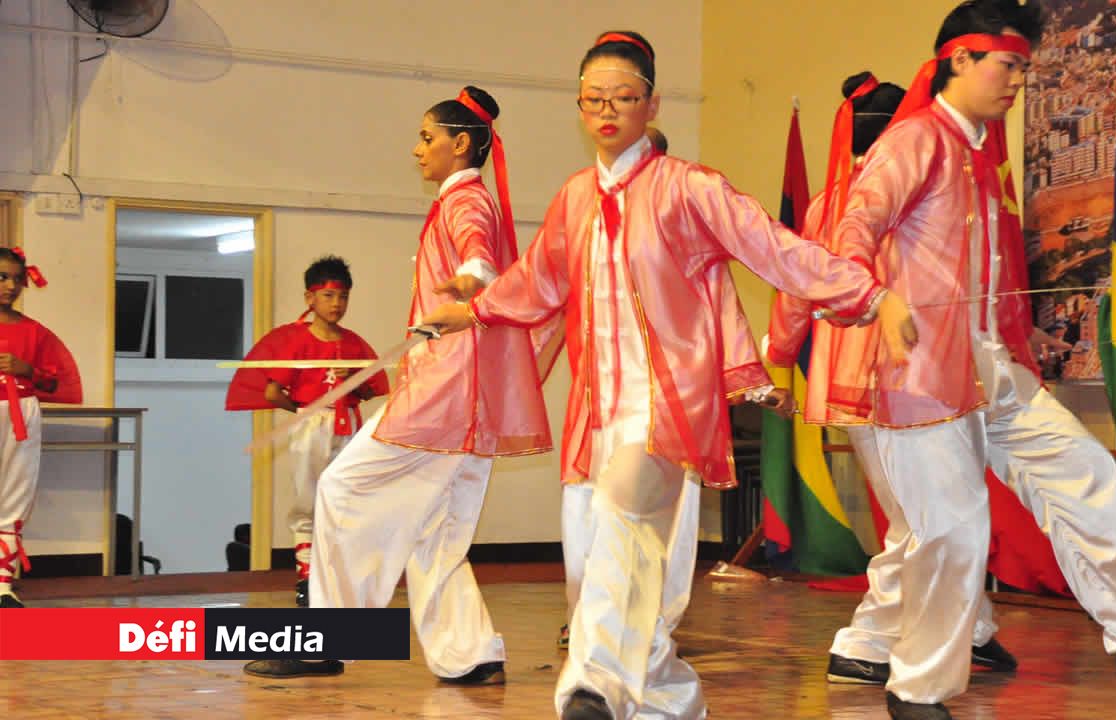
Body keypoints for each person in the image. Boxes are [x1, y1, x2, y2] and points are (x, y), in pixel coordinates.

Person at [423, 30, 883, 720]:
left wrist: (868, 294)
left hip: (668, 405)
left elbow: (778, 250)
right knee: (596, 562)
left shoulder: (690, 188)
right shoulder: (576, 197)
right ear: (580, 107)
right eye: (594, 99)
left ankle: (592, 689)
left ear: (652, 103)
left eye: (623, 97)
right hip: (596, 412)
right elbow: (538, 281)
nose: (607, 111)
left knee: (622, 522)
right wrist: (472, 311)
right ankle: (669, 697)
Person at [819, 2, 1116, 717]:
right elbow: (853, 228)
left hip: (985, 363)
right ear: (960, 59)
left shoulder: (978, 153)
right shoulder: (914, 140)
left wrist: (1019, 336)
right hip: (919, 370)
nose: (1019, 79)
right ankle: (918, 690)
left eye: (1023, 66)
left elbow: (979, 268)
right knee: (951, 531)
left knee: (1084, 470)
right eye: (1008, 64)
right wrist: (874, 298)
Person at [243, 86, 554, 685]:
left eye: (427, 137)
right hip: (467, 399)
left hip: (443, 395)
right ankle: (471, 654)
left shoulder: (466, 201)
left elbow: (479, 256)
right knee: (437, 531)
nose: (417, 149)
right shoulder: (470, 199)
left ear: (459, 144)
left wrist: (472, 282)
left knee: (340, 487)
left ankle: (326, 641)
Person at [765, 70, 1022, 688]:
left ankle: (970, 626)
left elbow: (795, 291)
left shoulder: (830, 202)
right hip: (896, 378)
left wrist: (778, 352)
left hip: (879, 379)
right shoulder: (899, 193)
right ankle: (867, 642)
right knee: (921, 518)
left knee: (939, 510)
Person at [555, 122, 791, 651]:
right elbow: (547, 296)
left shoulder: (686, 241)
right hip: (596, 406)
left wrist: (756, 388)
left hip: (667, 408)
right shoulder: (589, 225)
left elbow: (723, 316)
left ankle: (651, 625)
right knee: (585, 509)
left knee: (662, 523)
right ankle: (585, 620)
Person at [225, 255, 389, 606]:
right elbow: (273, 392)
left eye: (343, 296)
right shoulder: (296, 341)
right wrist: (303, 411)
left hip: (349, 423)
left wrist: (354, 380)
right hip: (312, 426)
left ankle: (342, 576)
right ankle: (307, 577)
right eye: (328, 296)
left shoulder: (354, 343)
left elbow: (370, 389)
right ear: (310, 298)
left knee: (349, 498)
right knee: (308, 499)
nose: (336, 304)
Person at [0, 247, 83, 608]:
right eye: (2, 277)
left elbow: (56, 384)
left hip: (21, 414)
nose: (10, 286)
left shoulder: (35, 332)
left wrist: (27, 370)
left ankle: (2, 586)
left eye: (17, 279)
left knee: (13, 496)